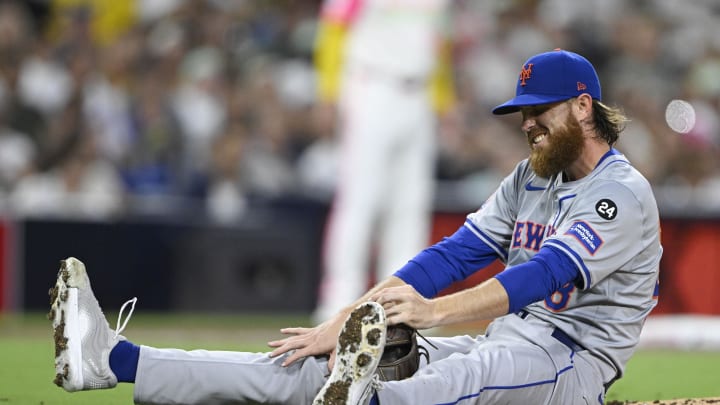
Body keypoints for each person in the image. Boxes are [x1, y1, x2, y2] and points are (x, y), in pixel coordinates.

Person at [49, 49, 662, 404]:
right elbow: (452, 257)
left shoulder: (621, 194)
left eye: (540, 112)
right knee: (306, 367)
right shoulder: (532, 177)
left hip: (569, 363)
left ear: (584, 106)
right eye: (522, 114)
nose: (526, 124)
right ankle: (114, 360)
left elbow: (544, 273)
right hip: (505, 342)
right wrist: (346, 321)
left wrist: (431, 314)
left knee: (429, 387)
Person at [311, 0, 456, 322]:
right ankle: (338, 303)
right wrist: (329, 92)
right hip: (372, 86)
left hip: (419, 94)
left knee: (411, 206)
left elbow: (439, 42)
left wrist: (443, 99)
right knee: (360, 201)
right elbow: (333, 31)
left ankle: (400, 306)